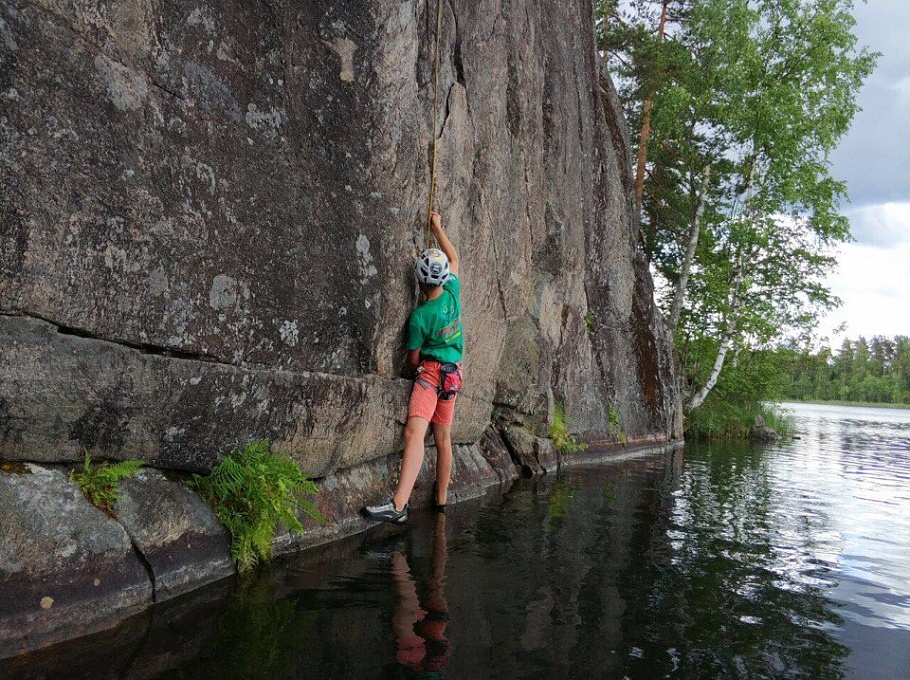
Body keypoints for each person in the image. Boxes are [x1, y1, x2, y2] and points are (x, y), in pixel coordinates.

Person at [364, 211, 462, 524]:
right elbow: (455, 258)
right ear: (444, 278)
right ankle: (442, 501)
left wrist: (414, 372)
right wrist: (438, 227)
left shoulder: (419, 317)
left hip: (431, 376)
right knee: (444, 439)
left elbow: (413, 359)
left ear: (418, 281)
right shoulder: (453, 293)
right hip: (454, 376)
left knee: (413, 434)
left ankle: (399, 505)